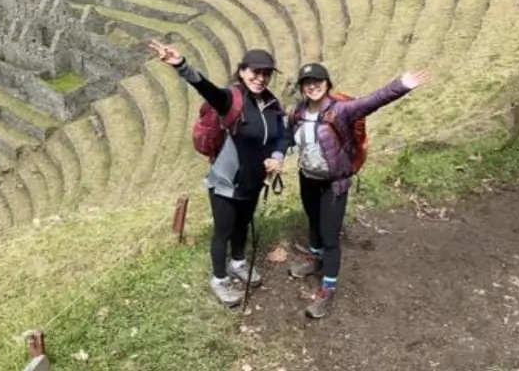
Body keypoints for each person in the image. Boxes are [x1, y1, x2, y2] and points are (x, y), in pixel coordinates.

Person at [149, 39, 289, 307]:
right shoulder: (231, 99)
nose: (260, 78)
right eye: (255, 72)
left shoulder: (272, 104)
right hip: (226, 181)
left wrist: (277, 156)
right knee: (223, 232)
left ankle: (238, 262)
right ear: (242, 71)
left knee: (243, 225)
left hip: (254, 181)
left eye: (266, 74)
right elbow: (206, 88)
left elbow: (282, 135)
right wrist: (181, 65)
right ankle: (219, 279)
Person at [284, 62, 430, 319]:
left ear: (327, 84)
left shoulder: (341, 110)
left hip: (334, 184)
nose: (313, 86)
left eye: (318, 81)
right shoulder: (298, 113)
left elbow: (372, 101)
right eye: (307, 82)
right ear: (301, 87)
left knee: (330, 237)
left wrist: (402, 84)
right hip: (308, 179)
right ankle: (315, 260)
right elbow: (286, 139)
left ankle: (328, 289)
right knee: (314, 224)